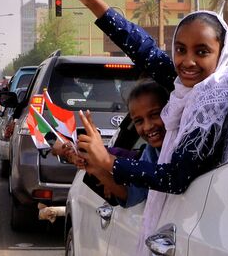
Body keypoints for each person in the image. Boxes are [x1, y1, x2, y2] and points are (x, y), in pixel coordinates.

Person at [68, 0, 228, 254]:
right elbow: (142, 48)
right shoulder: (187, 90)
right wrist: (93, 2)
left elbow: (174, 177)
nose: (188, 61)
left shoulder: (212, 104)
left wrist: (110, 164)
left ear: (220, 52)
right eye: (181, 49)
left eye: (202, 51)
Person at [63, 80, 169, 208]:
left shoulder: (184, 148)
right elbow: (133, 194)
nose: (148, 127)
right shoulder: (150, 153)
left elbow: (169, 177)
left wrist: (107, 160)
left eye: (154, 115)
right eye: (139, 121)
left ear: (171, 110)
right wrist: (97, 169)